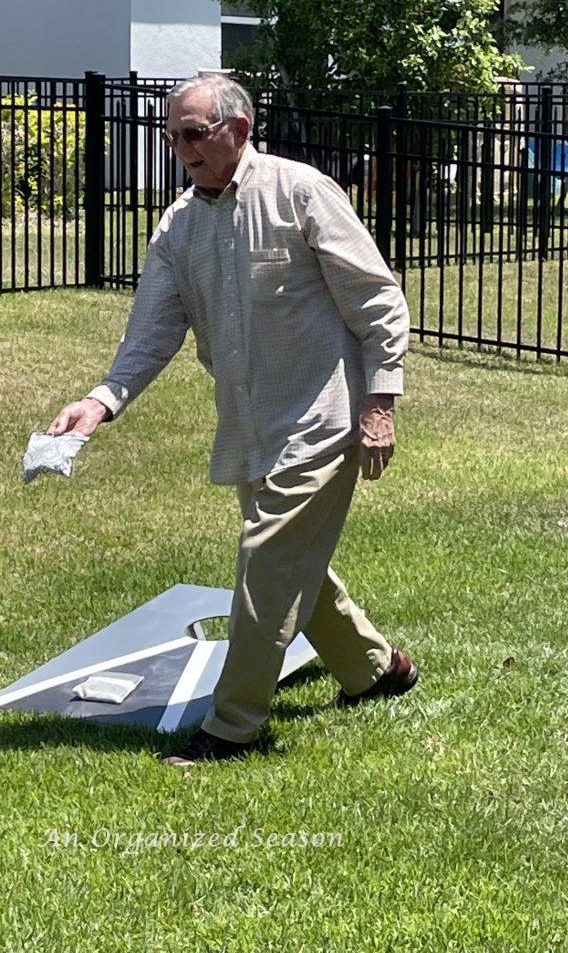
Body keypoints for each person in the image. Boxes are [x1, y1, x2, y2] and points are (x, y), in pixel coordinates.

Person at [47, 74, 418, 766]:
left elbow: (379, 303)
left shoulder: (300, 192)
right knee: (291, 566)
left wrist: (379, 404)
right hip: (249, 425)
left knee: (266, 563)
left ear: (238, 130)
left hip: (323, 415)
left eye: (193, 133)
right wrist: (101, 401)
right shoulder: (179, 224)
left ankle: (233, 726)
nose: (180, 149)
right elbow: (153, 331)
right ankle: (377, 670)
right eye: (171, 137)